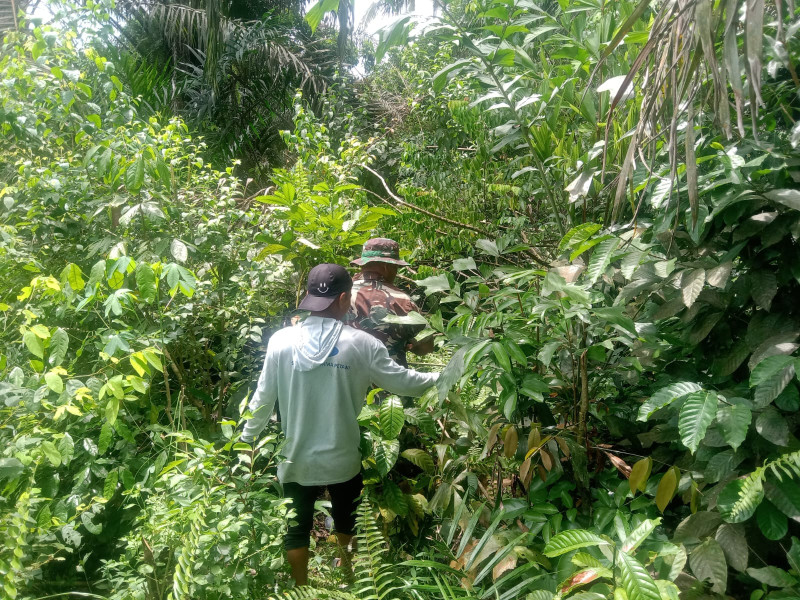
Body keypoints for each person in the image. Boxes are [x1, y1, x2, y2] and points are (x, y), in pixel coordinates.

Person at [241, 264, 438, 587]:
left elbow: (261, 401)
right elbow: (407, 383)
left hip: (295, 459)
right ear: (345, 298)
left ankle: (300, 590)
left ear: (308, 296)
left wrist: (244, 444)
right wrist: (447, 376)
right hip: (343, 458)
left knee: (297, 529)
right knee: (348, 518)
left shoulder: (281, 341)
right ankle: (349, 580)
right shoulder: (362, 344)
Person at [348, 238, 435, 368]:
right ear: (387, 266)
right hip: (387, 382)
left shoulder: (340, 293)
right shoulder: (402, 300)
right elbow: (426, 347)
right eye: (396, 267)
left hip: (343, 381)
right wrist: (409, 345)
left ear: (363, 265)